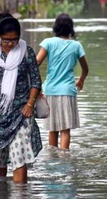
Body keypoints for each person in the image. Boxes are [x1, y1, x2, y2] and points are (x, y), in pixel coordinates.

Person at [0, 16, 43, 183]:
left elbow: (36, 81)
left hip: (21, 112)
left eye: (14, 40)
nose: (10, 44)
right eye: (6, 40)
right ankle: (0, 195)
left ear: (20, 36)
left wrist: (30, 104)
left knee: (19, 154)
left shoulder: (27, 53)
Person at [36, 13, 89, 150]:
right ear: (71, 29)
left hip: (50, 90)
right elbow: (85, 68)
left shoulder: (48, 43)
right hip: (67, 91)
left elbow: (36, 62)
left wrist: (34, 84)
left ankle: (53, 158)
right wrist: (81, 79)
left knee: (52, 128)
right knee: (65, 129)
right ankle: (65, 158)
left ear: (56, 28)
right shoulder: (76, 46)